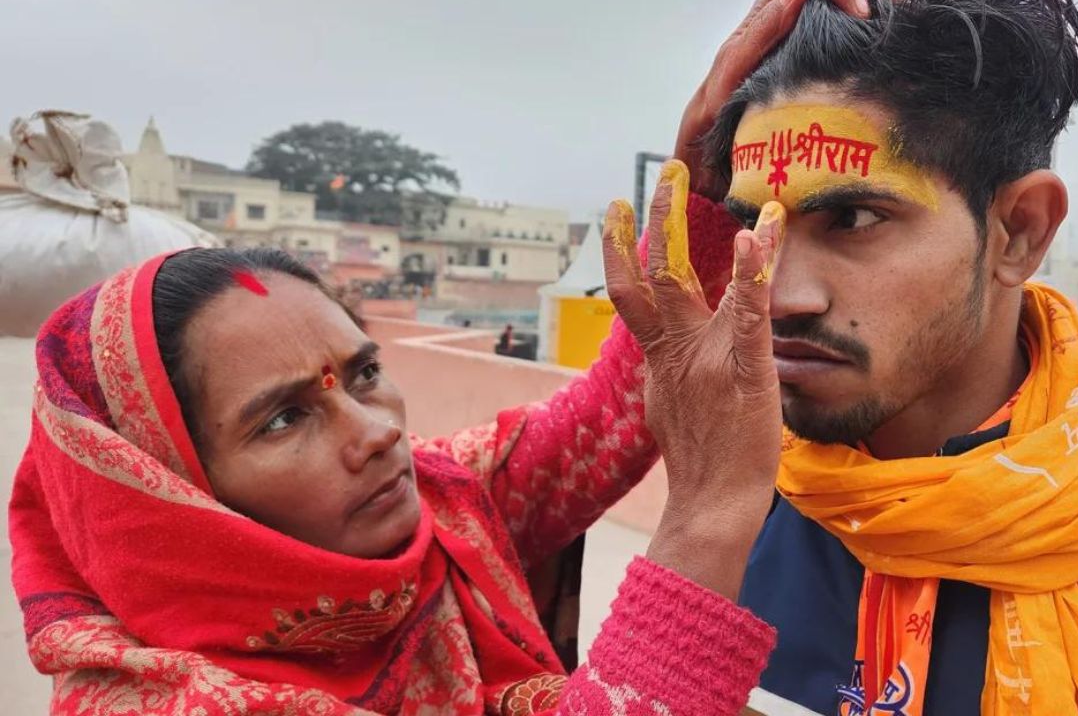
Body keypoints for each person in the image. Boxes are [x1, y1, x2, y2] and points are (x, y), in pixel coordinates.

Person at [615, 0, 1078, 715]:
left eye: (855, 218)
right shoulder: (735, 510)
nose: (777, 295)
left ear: (1019, 233)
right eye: (753, 223)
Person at [8, 242, 780, 715]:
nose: (377, 432)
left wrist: (706, 178)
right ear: (172, 505)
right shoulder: (168, 703)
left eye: (364, 373)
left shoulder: (440, 504)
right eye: (283, 418)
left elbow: (598, 419)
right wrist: (708, 517)